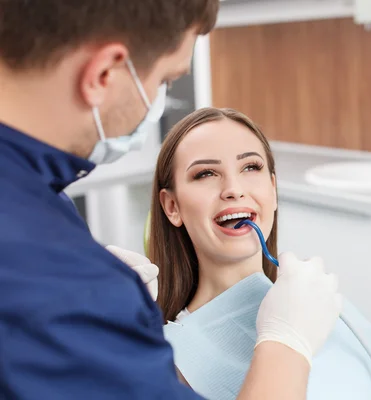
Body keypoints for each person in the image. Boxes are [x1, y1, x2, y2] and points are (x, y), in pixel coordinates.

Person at [0, 2, 342, 399]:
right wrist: (287, 345)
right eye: (166, 79)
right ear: (105, 73)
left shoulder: (46, 226)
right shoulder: (66, 283)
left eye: (251, 167)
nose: (234, 188)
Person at [147, 107, 371, 399]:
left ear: (273, 188)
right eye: (205, 173)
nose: (233, 189)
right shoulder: (171, 360)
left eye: (250, 167)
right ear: (172, 207)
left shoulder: (319, 301)